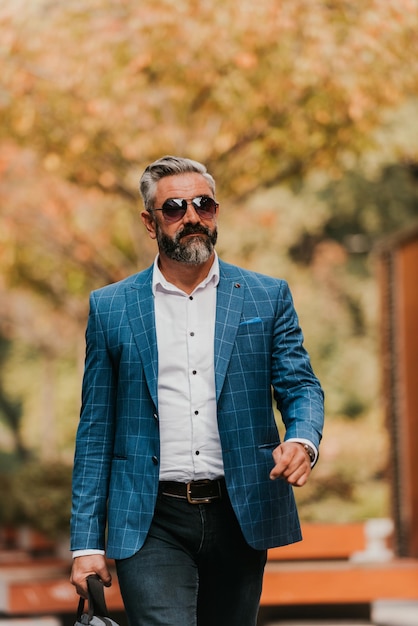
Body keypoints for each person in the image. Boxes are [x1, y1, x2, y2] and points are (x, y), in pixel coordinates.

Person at [70, 155, 324, 626]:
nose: (191, 217)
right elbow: (95, 430)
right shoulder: (111, 308)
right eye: (174, 208)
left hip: (241, 510)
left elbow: (300, 384)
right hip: (149, 520)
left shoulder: (266, 297)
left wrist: (303, 439)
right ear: (151, 222)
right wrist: (86, 544)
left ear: (216, 212)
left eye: (203, 205)